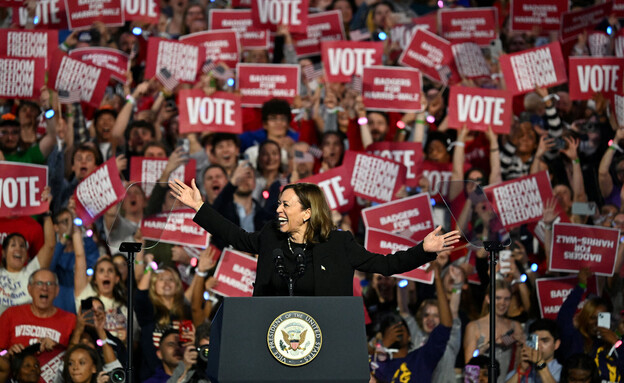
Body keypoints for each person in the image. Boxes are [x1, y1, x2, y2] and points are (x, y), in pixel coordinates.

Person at [169, 179, 460, 296]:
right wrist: (199, 207)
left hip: (325, 337)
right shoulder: (271, 236)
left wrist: (424, 249)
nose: (278, 209)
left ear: (307, 213)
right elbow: (236, 236)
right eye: (279, 203)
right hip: (272, 333)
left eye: (286, 205)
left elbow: (385, 265)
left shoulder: (339, 243)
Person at [0, 269, 76, 383]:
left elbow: (78, 359)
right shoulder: (11, 314)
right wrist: (7, 353)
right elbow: (0, 353)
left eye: (50, 284)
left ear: (57, 290)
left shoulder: (70, 320)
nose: (44, 288)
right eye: (39, 283)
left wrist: (58, 347)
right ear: (29, 289)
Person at [504, 318, 562, 383]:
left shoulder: (562, 371)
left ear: (556, 344)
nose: (538, 346)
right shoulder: (522, 369)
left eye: (544, 341)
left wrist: (540, 363)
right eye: (535, 341)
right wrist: (522, 370)